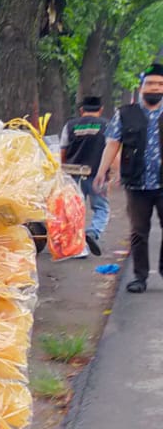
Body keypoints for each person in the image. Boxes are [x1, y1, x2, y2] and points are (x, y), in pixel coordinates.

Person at [95, 65, 163, 292]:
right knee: (138, 232)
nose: (156, 88)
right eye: (151, 83)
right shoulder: (125, 113)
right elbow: (113, 143)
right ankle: (139, 277)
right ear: (142, 87)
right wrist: (102, 170)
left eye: (160, 84)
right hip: (137, 183)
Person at [59, 95, 109, 254]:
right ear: (101, 110)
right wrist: (112, 173)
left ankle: (76, 246)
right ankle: (92, 233)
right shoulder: (107, 125)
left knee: (74, 210)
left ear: (81, 110)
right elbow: (112, 148)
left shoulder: (70, 125)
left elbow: (63, 150)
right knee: (101, 207)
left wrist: (61, 171)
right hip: (97, 173)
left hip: (72, 174)